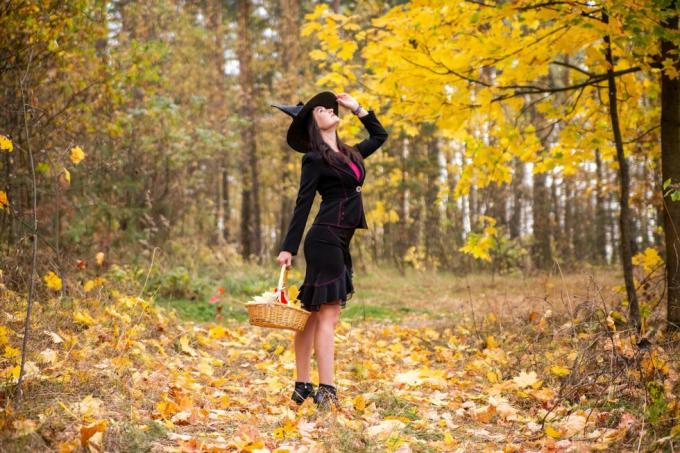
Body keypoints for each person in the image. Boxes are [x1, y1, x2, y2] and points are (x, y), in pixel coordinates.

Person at [271, 91, 388, 409]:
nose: (330, 110)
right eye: (321, 109)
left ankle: (301, 386)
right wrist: (288, 248)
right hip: (324, 238)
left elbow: (380, 135)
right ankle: (328, 389)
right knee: (329, 314)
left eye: (328, 106)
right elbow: (303, 203)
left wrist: (358, 109)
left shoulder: (351, 154)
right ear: (313, 123)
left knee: (310, 314)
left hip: (339, 239)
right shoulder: (314, 159)